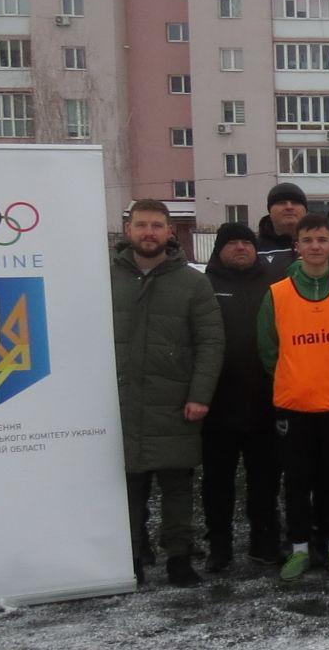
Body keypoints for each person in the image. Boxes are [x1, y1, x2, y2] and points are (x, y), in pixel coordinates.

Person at [112, 199, 224, 588]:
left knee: (177, 486)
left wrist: (200, 395)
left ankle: (179, 556)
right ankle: (131, 555)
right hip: (121, 402)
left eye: (157, 225)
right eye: (141, 225)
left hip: (175, 401)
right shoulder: (104, 278)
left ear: (169, 232)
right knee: (128, 485)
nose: (149, 233)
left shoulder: (193, 282)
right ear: (128, 230)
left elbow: (211, 342)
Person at [257, 213, 329, 579]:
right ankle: (300, 548)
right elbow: (268, 350)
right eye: (308, 240)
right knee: (297, 481)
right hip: (294, 405)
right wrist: (296, 376)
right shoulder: (277, 294)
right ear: (297, 246)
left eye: (321, 240)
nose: (315, 247)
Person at [201, 221, 282, 572]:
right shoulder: (205, 285)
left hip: (264, 400)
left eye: (246, 243)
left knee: (265, 478)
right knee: (217, 481)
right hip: (218, 402)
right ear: (219, 250)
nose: (240, 248)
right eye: (232, 243)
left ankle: (264, 541)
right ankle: (219, 545)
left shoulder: (274, 285)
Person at [254, 182, 307, 275]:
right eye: (281, 203)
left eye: (295, 203)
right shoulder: (254, 249)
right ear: (270, 211)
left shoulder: (320, 245)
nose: (289, 207)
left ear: (305, 210)